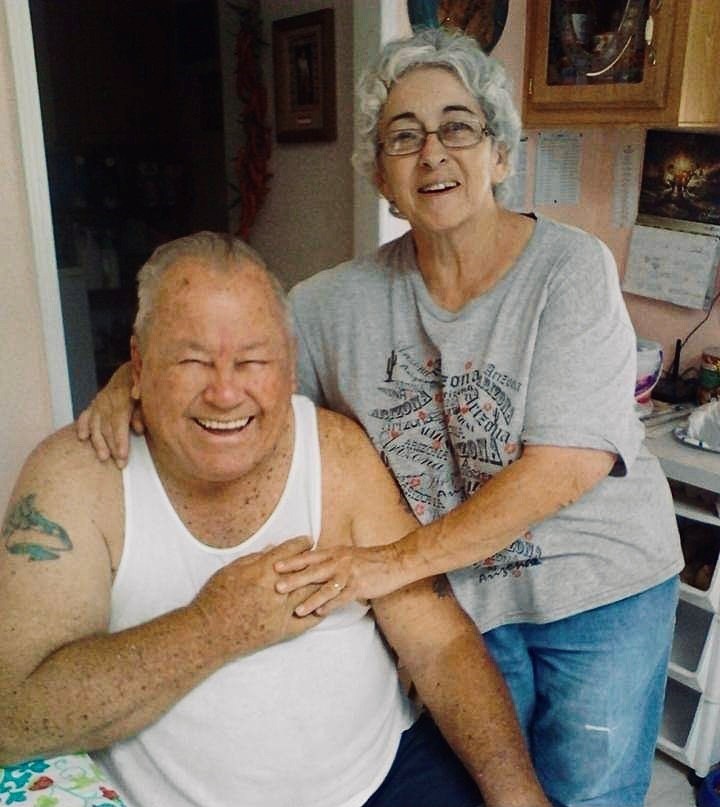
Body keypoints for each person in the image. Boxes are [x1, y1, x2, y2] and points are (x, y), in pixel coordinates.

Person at [76, 29, 683, 807]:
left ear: (500, 154)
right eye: (404, 136)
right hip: (466, 597)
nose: (432, 153)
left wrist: (386, 565)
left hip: (601, 588)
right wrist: (136, 377)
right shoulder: (332, 304)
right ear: (382, 178)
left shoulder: (571, 267)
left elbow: (565, 466)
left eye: (458, 127)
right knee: (496, 785)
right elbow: (239, 363)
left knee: (590, 793)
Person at [0, 232, 549, 807]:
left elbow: (440, 644)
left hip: (386, 781)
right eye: (191, 360)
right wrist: (215, 627)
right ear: (138, 366)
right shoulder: (76, 477)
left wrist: (517, 794)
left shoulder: (336, 453)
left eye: (252, 361)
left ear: (289, 368)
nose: (224, 392)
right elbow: (13, 715)